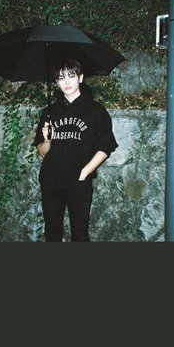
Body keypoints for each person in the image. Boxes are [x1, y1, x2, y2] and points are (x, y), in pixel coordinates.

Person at [33, 59, 118, 241]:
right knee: (52, 233)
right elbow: (42, 152)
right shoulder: (50, 112)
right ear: (57, 82)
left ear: (80, 78)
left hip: (79, 183)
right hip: (51, 180)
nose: (67, 82)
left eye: (71, 76)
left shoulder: (95, 111)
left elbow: (106, 146)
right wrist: (47, 139)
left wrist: (84, 173)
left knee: (80, 234)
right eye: (61, 77)